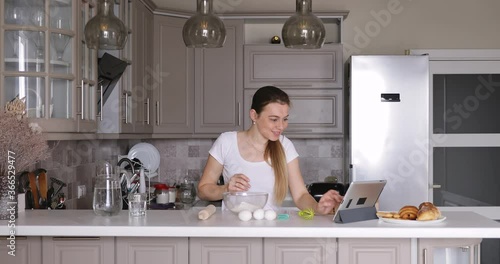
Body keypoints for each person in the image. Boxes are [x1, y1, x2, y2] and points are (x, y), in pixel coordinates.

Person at [197, 86, 343, 215]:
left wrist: (318, 208)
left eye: (285, 119)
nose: (281, 126)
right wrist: (226, 189)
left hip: (270, 229)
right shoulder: (226, 142)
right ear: (254, 115)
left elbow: (300, 196)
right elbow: (203, 190)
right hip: (233, 230)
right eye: (274, 119)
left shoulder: (285, 146)